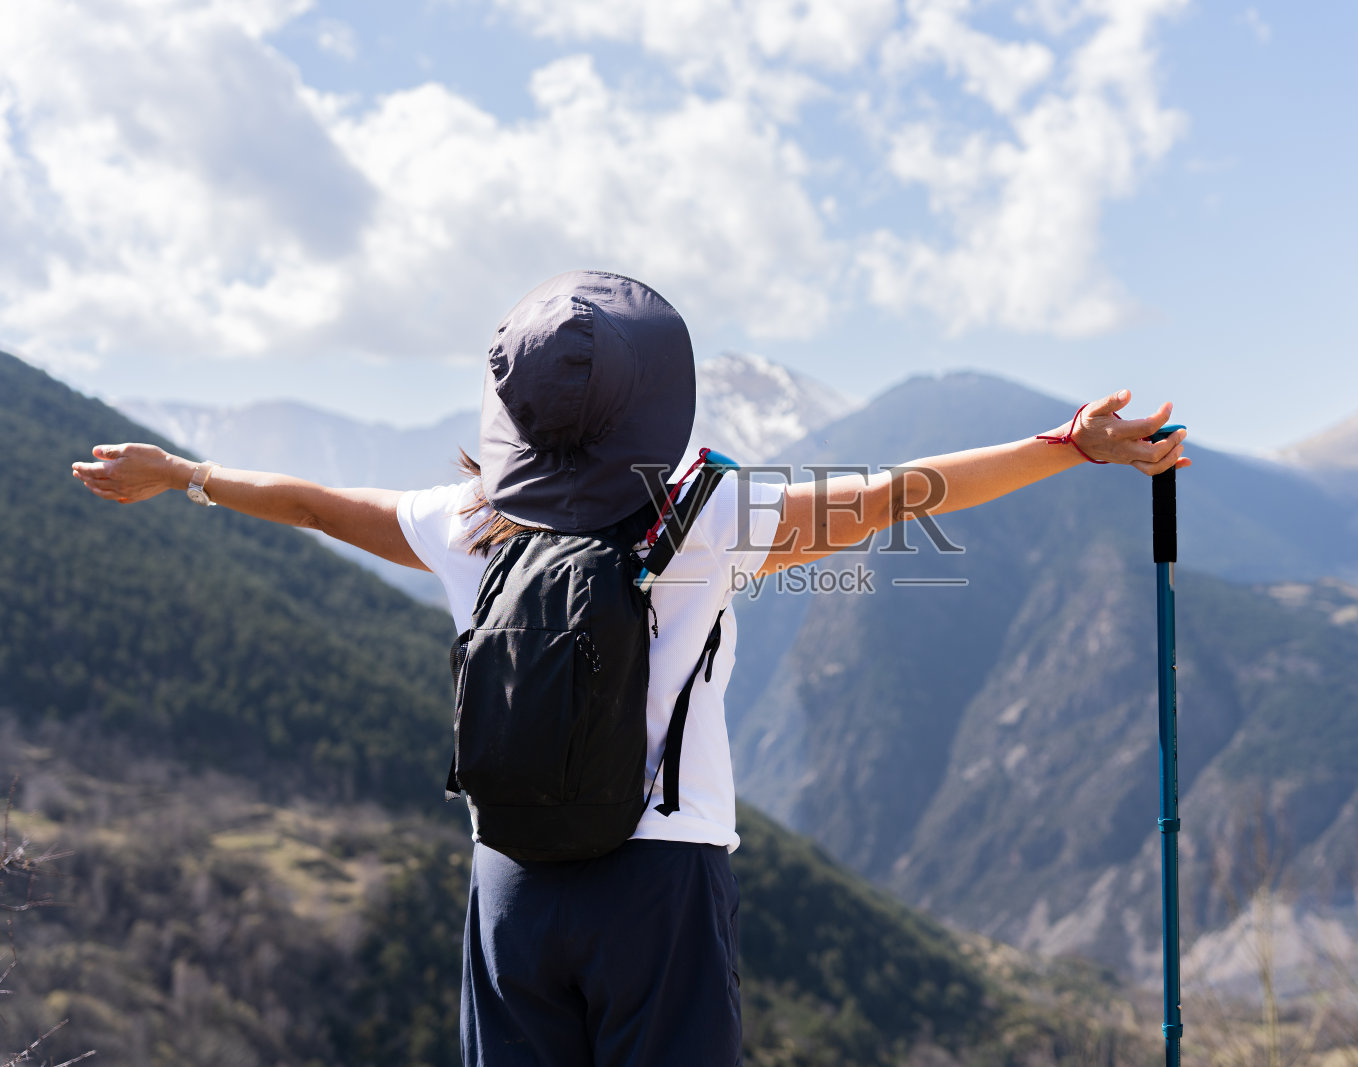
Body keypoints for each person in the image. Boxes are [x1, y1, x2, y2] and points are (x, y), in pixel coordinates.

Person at [71, 269, 1189, 1066]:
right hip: (659, 879)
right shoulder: (712, 518)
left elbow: (316, 504)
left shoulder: (464, 522)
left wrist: (184, 474)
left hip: (509, 877)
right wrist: (1066, 447)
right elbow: (900, 494)